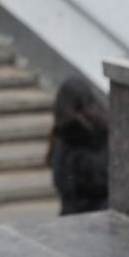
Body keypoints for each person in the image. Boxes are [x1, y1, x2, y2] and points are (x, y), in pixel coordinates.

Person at [47, 77, 111, 216]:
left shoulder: (64, 136)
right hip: (102, 213)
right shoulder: (104, 129)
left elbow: (62, 182)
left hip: (77, 216)